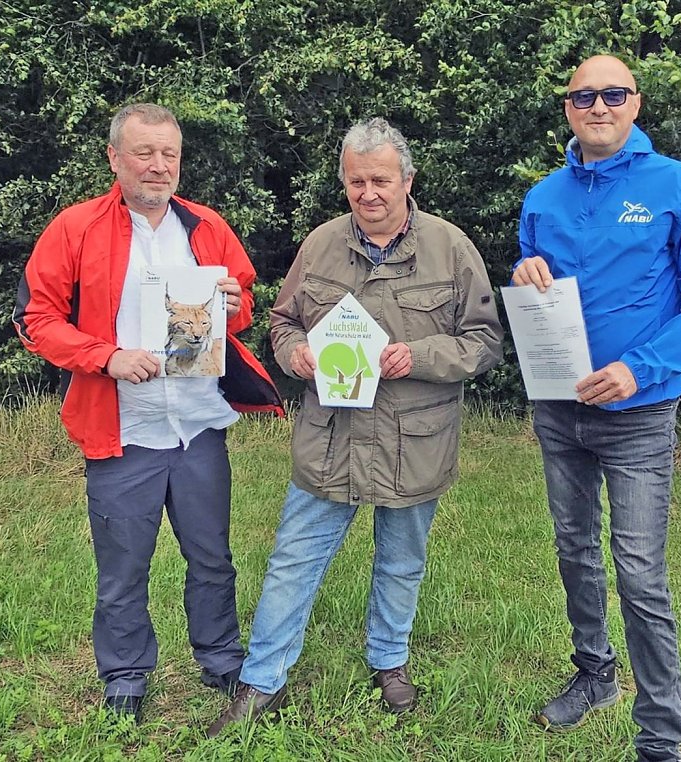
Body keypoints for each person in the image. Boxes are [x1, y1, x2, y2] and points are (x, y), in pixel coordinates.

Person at [207, 117, 504, 734]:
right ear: (343, 183)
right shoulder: (319, 245)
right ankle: (262, 681)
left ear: (407, 180)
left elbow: (484, 342)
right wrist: (293, 354)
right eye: (356, 181)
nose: (369, 193)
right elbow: (283, 322)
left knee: (401, 560)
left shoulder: (452, 248)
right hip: (331, 439)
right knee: (293, 558)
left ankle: (389, 661)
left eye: (381, 180)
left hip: (412, 439)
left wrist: (418, 355)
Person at [13, 103, 283, 722]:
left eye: (170, 154)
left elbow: (237, 311)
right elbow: (37, 320)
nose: (159, 166)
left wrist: (235, 303)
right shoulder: (75, 228)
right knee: (124, 565)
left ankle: (221, 661)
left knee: (211, 556)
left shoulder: (207, 226)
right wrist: (104, 357)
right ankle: (127, 676)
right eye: (144, 153)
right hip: (122, 428)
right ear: (115, 157)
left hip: (197, 424)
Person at [512, 56, 681, 762]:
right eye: (585, 95)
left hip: (639, 415)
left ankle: (661, 737)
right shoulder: (543, 199)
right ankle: (594, 673)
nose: (599, 105)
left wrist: (638, 370)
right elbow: (531, 290)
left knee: (639, 571)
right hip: (560, 408)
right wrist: (522, 275)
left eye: (613, 93)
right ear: (568, 107)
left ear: (635, 103)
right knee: (573, 548)